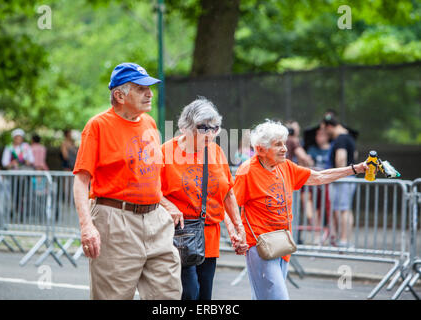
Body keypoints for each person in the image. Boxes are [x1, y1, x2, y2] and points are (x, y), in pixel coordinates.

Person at [72, 62, 182, 300]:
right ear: (120, 95)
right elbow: (81, 181)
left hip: (156, 220)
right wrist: (86, 227)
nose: (150, 93)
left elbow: (147, 174)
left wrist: (165, 204)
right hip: (115, 221)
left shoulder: (149, 123)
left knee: (168, 296)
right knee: (112, 296)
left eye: (149, 88)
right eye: (141, 88)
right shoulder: (98, 126)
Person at [233, 119, 367, 300]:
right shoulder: (247, 171)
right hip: (260, 245)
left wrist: (354, 169)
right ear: (260, 150)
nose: (285, 149)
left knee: (263, 297)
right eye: (278, 145)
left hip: (283, 243)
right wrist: (237, 234)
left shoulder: (285, 166)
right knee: (278, 297)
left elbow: (319, 177)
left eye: (284, 143)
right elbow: (231, 205)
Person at [160, 97, 247, 300]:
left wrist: (238, 227)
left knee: (205, 295)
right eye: (203, 128)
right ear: (185, 127)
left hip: (209, 235)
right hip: (179, 235)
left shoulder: (216, 152)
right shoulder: (165, 152)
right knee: (189, 293)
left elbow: (227, 192)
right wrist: (168, 205)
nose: (210, 134)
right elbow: (150, 191)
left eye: (215, 128)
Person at [321, 113, 357, 248]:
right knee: (344, 209)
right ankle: (343, 239)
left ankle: (343, 240)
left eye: (325, 130)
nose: (325, 133)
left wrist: (338, 174)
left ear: (330, 126)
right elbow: (355, 155)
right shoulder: (349, 137)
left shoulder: (341, 139)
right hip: (348, 178)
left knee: (343, 210)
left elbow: (341, 158)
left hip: (343, 179)